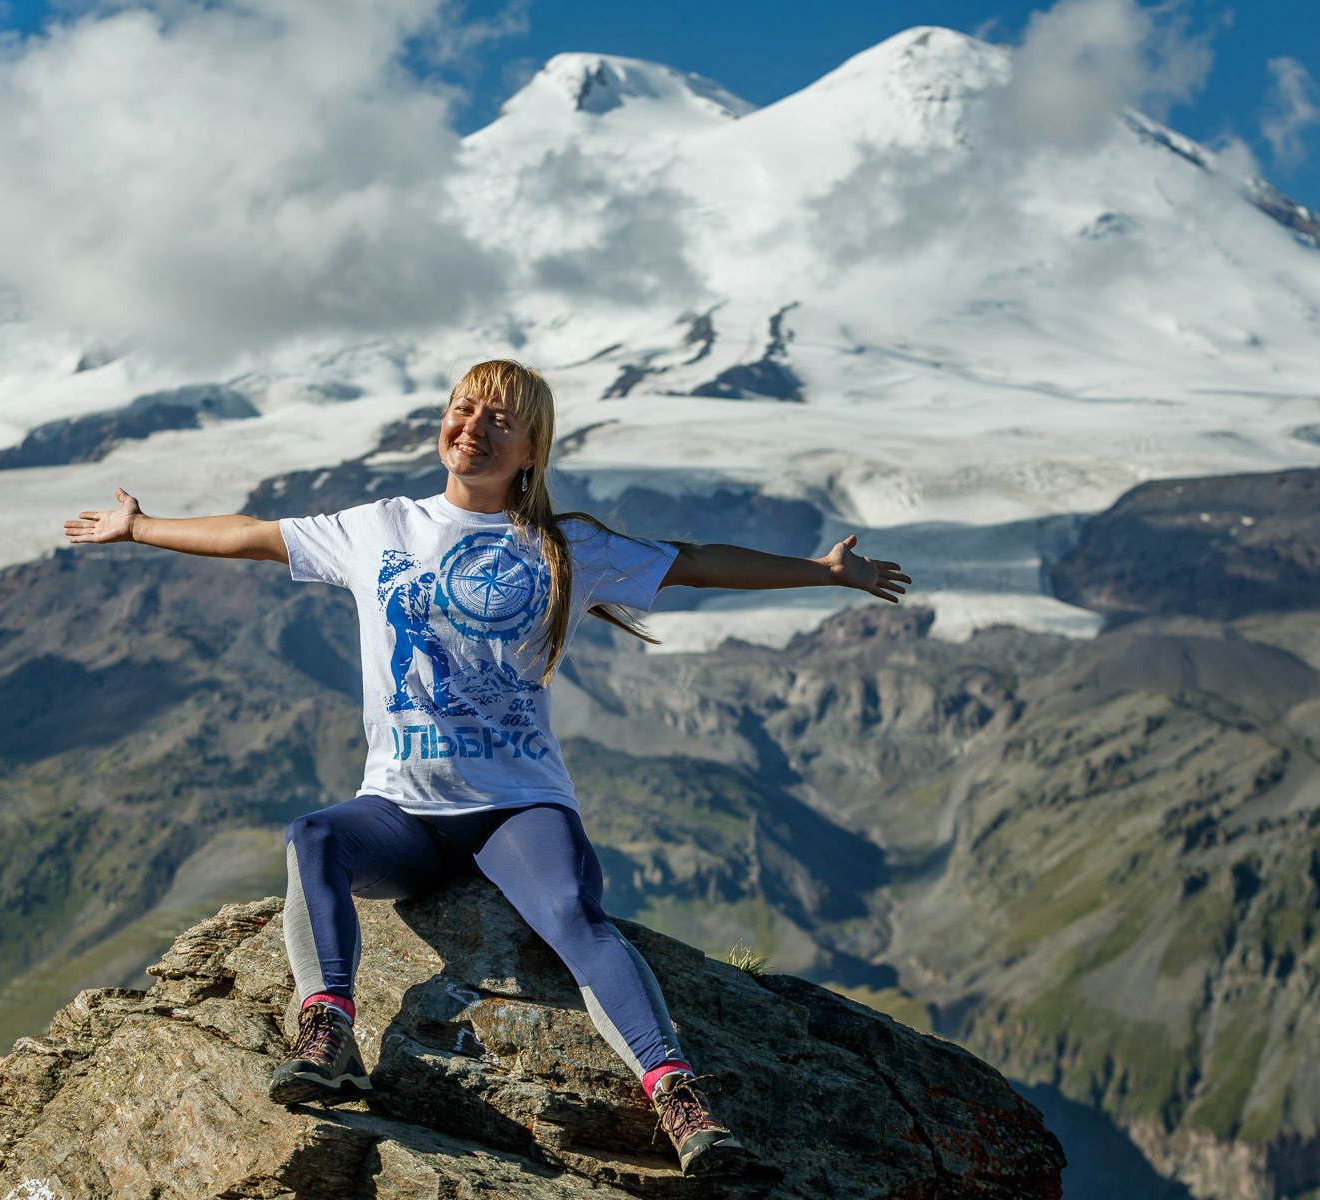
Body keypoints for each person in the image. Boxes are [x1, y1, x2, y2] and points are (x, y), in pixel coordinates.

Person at [63, 359, 909, 1176]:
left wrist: (825, 573)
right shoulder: (381, 526)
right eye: (463, 410)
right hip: (401, 811)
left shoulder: (564, 545)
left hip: (518, 807)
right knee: (314, 837)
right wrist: (141, 527)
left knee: (576, 915)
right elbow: (252, 536)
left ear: (531, 452)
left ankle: (680, 1099)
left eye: (498, 419)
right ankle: (327, 1035)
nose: (471, 427)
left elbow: (693, 564)